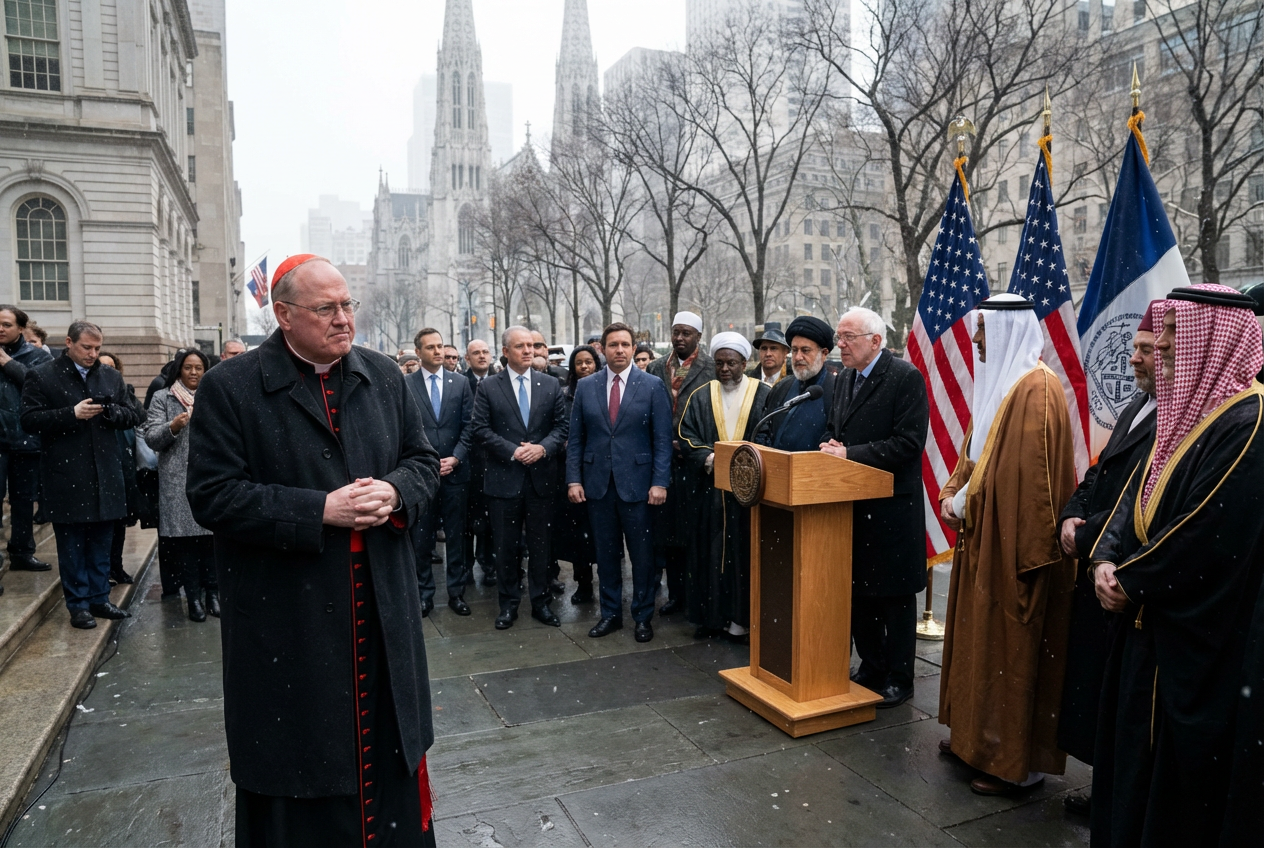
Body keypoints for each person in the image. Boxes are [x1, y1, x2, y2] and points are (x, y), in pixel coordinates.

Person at [185, 253, 441, 844]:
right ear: (284, 315)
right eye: (326, 309)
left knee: (387, 754)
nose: (343, 319)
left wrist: (395, 491)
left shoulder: (384, 375)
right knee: (301, 765)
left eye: (348, 305)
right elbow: (213, 496)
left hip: (382, 611)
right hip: (290, 620)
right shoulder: (232, 386)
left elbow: (423, 461)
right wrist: (319, 510)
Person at [1088, 285, 1264, 846]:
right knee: (1127, 767)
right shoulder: (1186, 413)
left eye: (1171, 331)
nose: (1160, 343)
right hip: (1145, 625)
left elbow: (1206, 529)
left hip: (1191, 639)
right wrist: (1104, 557)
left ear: (1212, 339)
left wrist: (1131, 580)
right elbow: (1135, 495)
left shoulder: (1248, 420)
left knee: (1171, 789)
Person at [937, 293, 1077, 795]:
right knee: (981, 645)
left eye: (982, 330)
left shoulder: (1037, 390)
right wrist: (952, 492)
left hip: (1015, 549)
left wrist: (964, 504)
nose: (976, 340)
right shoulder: (1003, 383)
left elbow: (1026, 486)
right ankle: (975, 741)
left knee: (1009, 651)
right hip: (986, 538)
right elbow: (976, 456)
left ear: (1006, 331)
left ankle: (1013, 765)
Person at [1054, 308, 1158, 817]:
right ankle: (1107, 790)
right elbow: (1100, 473)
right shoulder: (1138, 403)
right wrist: (1071, 514)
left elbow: (1142, 498)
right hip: (1099, 560)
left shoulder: (1176, 415)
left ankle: (1116, 799)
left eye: (1147, 350)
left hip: (1123, 571)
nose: (1134, 358)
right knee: (1097, 686)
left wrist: (1090, 533)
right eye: (1134, 347)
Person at [819, 306, 929, 709]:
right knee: (859, 593)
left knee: (894, 598)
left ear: (876, 341)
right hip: (854, 506)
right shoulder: (843, 378)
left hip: (892, 510)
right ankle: (871, 665)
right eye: (839, 337)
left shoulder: (905, 378)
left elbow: (908, 443)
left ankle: (900, 677)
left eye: (848, 337)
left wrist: (849, 453)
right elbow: (836, 429)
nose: (840, 344)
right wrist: (832, 445)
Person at [20, 320, 140, 630]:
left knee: (101, 543)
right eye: (87, 347)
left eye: (97, 348)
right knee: (72, 546)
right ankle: (78, 606)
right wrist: (70, 414)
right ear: (69, 343)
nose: (93, 354)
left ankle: (100, 599)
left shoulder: (110, 376)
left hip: (106, 474)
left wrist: (112, 412)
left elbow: (134, 414)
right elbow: (29, 420)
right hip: (66, 475)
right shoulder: (42, 375)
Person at [568, 322, 673, 643]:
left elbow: (662, 440)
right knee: (606, 554)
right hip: (598, 486)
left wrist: (660, 482)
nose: (620, 350)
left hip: (639, 487)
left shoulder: (652, 385)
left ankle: (642, 617)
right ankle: (610, 614)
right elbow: (576, 440)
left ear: (633, 348)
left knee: (642, 556)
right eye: (613, 345)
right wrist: (574, 480)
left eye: (625, 345)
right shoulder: (586, 387)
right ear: (602, 349)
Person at [470, 325, 569, 630]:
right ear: (505, 352)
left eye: (531, 345)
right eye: (520, 346)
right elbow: (480, 429)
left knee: (541, 546)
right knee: (506, 546)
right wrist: (513, 451)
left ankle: (541, 602)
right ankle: (508, 604)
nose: (528, 351)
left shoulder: (549, 384)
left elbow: (562, 427)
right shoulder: (489, 387)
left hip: (541, 480)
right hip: (504, 479)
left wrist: (542, 448)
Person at [677, 332, 769, 641]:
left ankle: (742, 621)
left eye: (731, 363)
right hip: (710, 493)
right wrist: (711, 458)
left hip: (751, 494)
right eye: (719, 363)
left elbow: (772, 435)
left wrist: (748, 464)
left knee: (744, 555)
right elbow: (686, 435)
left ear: (745, 363)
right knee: (709, 554)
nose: (725, 369)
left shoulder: (765, 394)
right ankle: (710, 617)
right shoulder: (701, 395)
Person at [646, 311, 715, 616]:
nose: (679, 338)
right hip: (663, 461)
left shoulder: (711, 368)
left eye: (686, 333)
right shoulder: (657, 367)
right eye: (676, 332)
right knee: (668, 533)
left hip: (697, 461)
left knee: (695, 532)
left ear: (698, 336)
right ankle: (675, 595)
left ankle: (696, 596)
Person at [144, 349, 219, 622]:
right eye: (188, 367)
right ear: (179, 370)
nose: (194, 372)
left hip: (211, 478)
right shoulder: (162, 397)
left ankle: (213, 595)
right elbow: (151, 436)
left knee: (211, 541)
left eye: (199, 367)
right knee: (186, 545)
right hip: (177, 482)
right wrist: (173, 427)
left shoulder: (215, 395)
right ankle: (194, 598)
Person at [406, 328, 474, 617]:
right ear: (418, 352)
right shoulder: (406, 385)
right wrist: (425, 461)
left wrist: (456, 458)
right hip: (422, 475)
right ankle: (424, 594)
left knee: (456, 536)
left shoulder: (460, 383)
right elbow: (404, 429)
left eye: (440, 346)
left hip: (455, 473)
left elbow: (469, 426)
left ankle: (456, 593)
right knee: (422, 538)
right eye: (430, 347)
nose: (438, 351)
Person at [0, 305, 54, 588]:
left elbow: (40, 387)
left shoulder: (37, 356)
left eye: (6, 324)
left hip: (26, 438)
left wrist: (7, 363)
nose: (0, 329)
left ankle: (22, 552)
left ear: (21, 328)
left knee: (23, 500)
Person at [97, 351, 149, 587]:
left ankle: (116, 567)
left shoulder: (125, 392)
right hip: (103, 465)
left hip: (124, 464)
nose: (107, 371)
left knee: (120, 523)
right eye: (102, 366)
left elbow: (140, 417)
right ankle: (103, 570)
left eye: (111, 367)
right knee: (104, 525)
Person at [553, 345, 600, 605]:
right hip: (572, 471)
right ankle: (584, 583)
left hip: (599, 470)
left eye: (589, 362)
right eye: (579, 363)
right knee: (579, 534)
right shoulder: (564, 397)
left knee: (602, 532)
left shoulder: (603, 391)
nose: (584, 367)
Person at [756, 316, 841, 451]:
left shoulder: (837, 391)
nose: (797, 357)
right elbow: (764, 430)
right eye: (795, 350)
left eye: (805, 350)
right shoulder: (781, 388)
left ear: (824, 353)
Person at [464, 339, 494, 585]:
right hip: (469, 462)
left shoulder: (500, 382)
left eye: (485, 352)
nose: (482, 356)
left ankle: (489, 562)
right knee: (470, 519)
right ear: (467, 358)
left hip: (495, 459)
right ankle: (467, 566)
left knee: (491, 519)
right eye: (476, 353)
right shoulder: (461, 383)